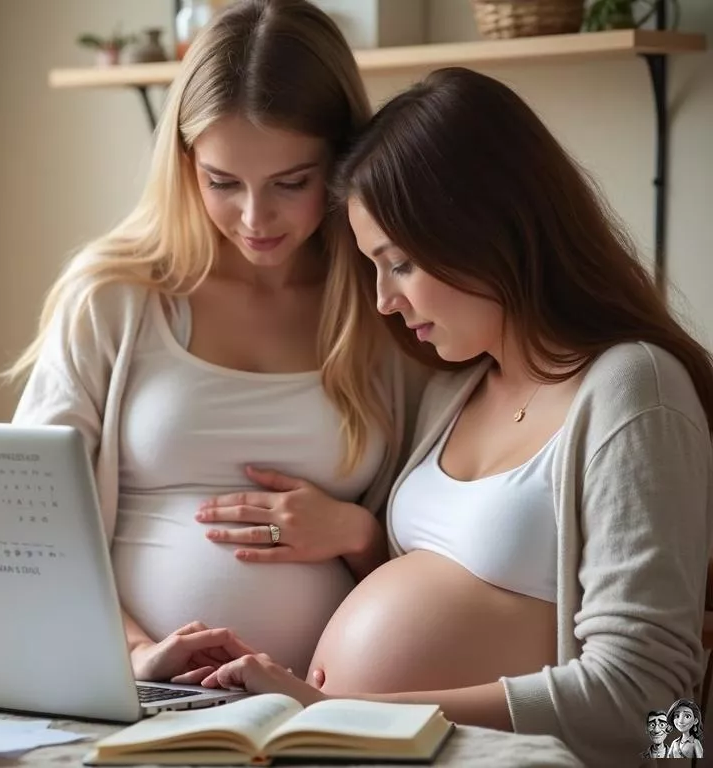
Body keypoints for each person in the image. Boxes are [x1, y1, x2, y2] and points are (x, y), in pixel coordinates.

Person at [0, 0, 423, 683]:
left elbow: (436, 542)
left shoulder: (382, 302)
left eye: (291, 183)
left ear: (340, 160)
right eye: (222, 181)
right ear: (184, 164)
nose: (254, 216)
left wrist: (357, 536)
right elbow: (22, 515)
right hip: (136, 683)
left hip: (316, 695)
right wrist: (134, 654)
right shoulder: (117, 296)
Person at [195, 67, 713, 768]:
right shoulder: (456, 387)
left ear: (484, 229)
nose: (383, 300)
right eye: (373, 266)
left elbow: (650, 703)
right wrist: (358, 539)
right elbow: (452, 588)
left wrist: (340, 712)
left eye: (400, 263)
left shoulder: (634, 390)